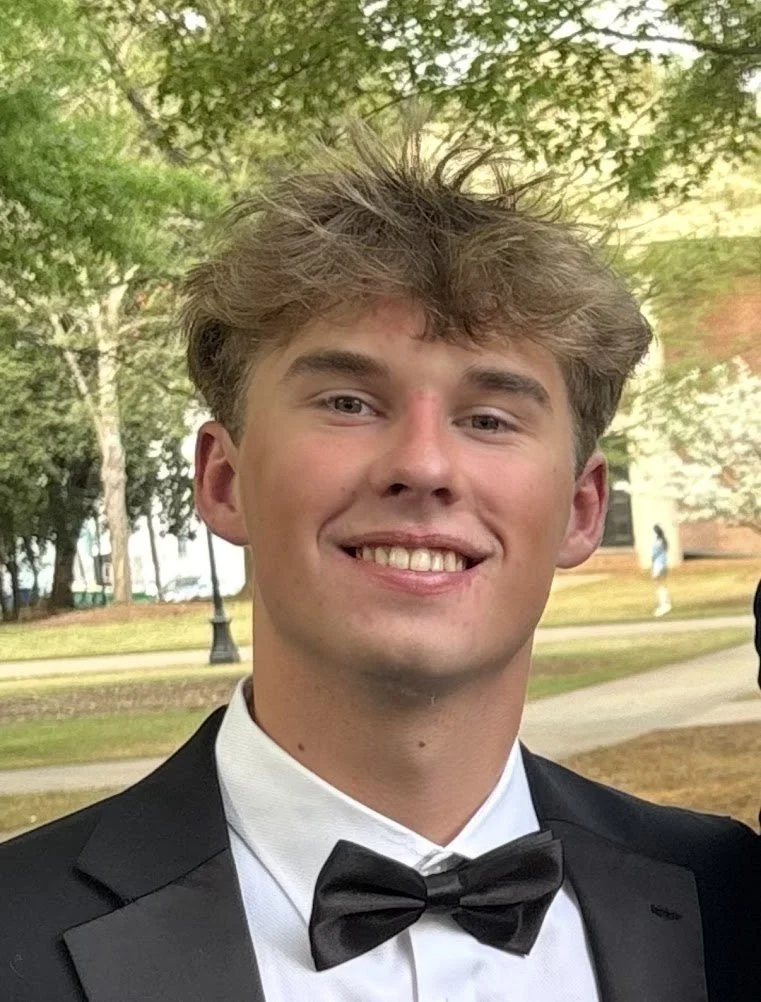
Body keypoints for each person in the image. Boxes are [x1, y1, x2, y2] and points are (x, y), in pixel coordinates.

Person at [2, 127, 759, 1002]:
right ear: (223, 480)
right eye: (349, 402)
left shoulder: (730, 902)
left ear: (581, 511)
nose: (425, 466)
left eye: (489, 418)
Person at [651, 523, 672, 617]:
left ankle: (664, 604)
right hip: (659, 564)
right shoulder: (661, 541)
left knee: (659, 584)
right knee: (659, 584)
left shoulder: (659, 542)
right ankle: (664, 603)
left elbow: (655, 554)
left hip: (659, 565)